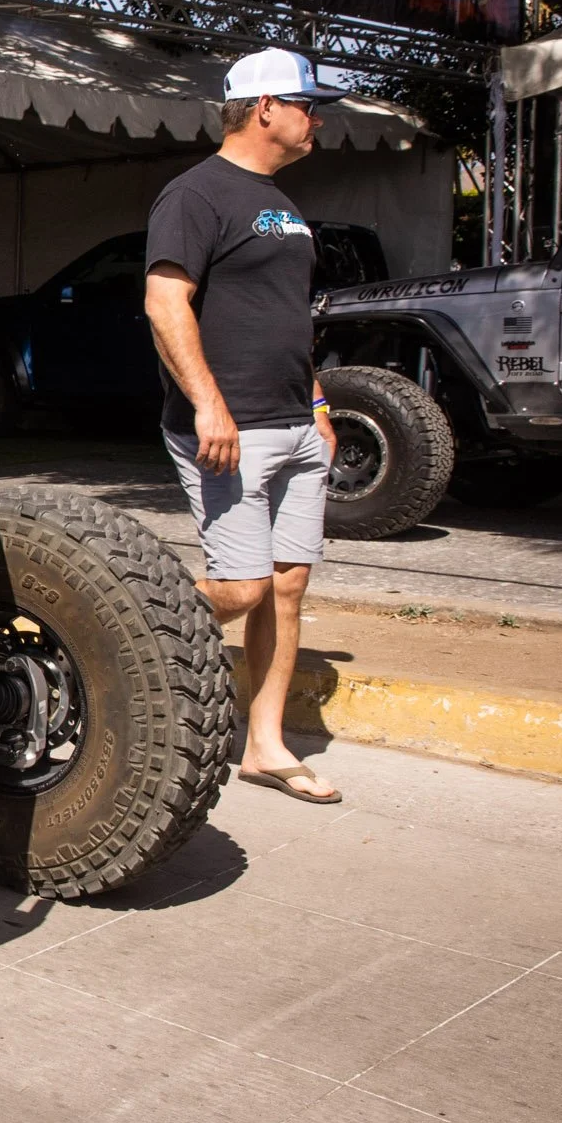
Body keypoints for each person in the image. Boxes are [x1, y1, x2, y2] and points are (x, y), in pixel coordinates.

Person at [144, 48, 345, 803]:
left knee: (286, 586)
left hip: (294, 423)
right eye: (305, 105)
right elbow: (166, 303)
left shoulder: (284, 204)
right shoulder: (195, 195)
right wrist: (208, 403)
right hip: (230, 428)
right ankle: (117, 617)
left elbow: (285, 321)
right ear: (265, 108)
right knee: (241, 588)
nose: (314, 118)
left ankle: (264, 745)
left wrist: (318, 406)